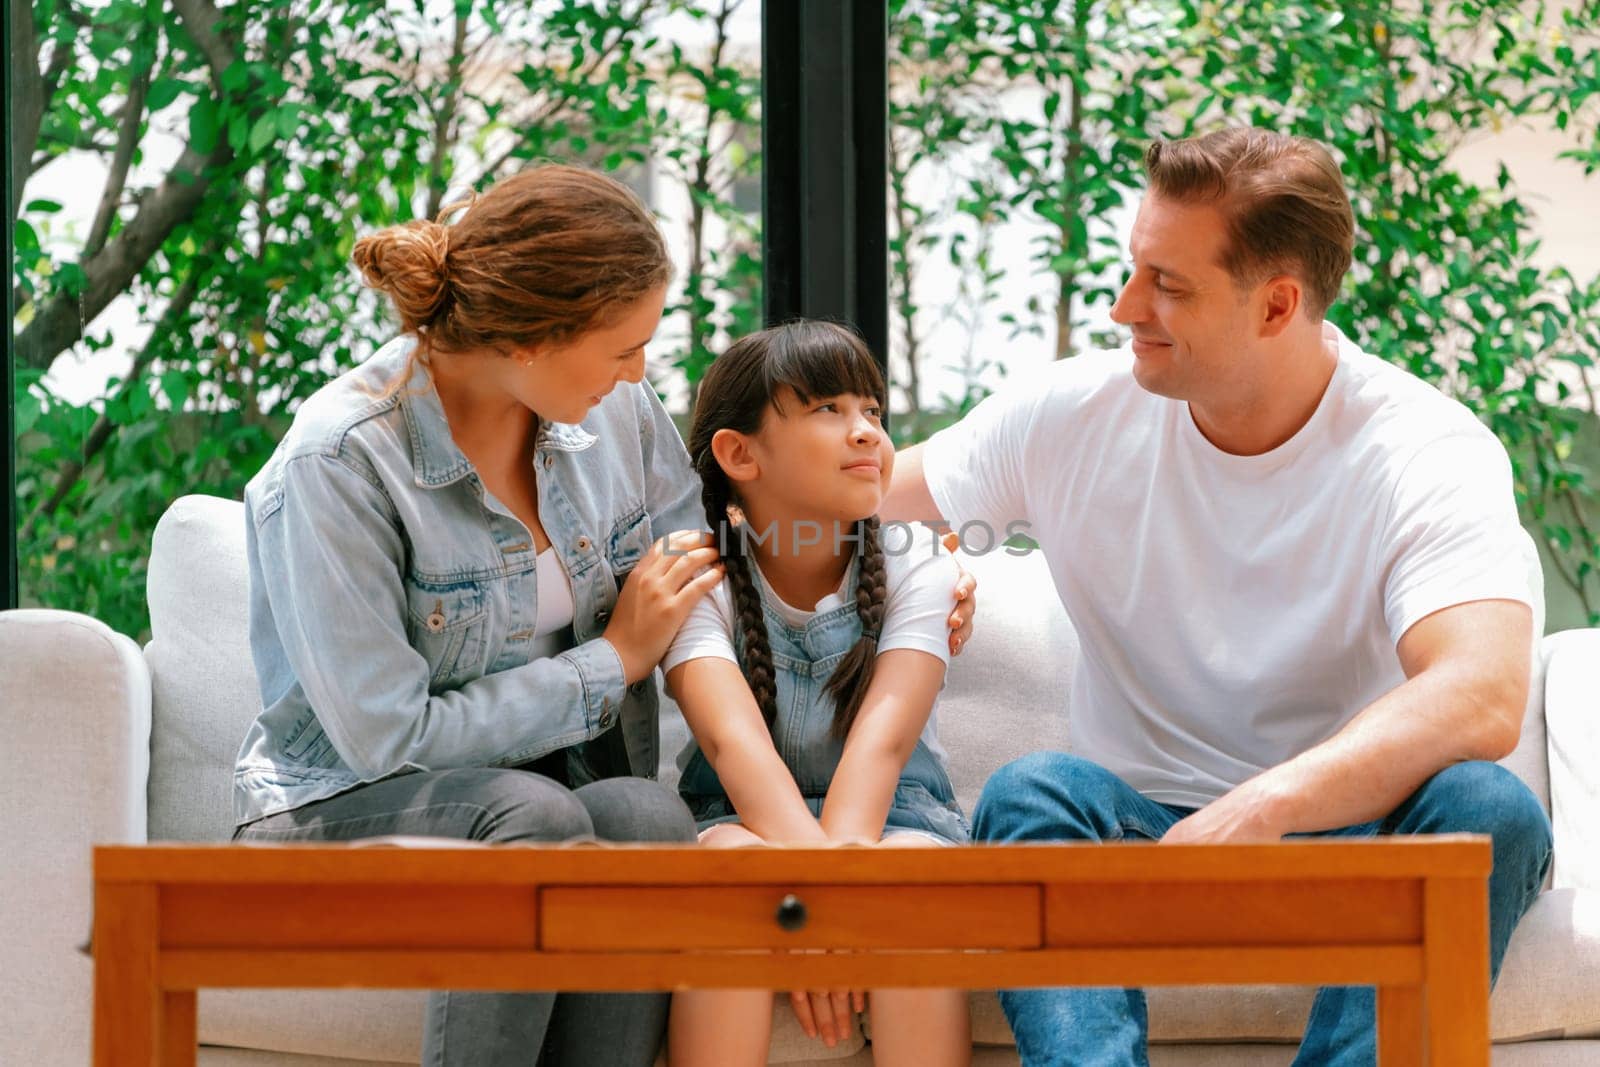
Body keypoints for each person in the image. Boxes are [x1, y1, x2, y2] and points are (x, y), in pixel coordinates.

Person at [232, 164, 977, 1066]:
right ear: (531, 336)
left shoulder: (612, 414)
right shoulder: (341, 463)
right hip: (347, 799)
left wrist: (891, 573)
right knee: (538, 816)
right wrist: (614, 659)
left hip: (546, 790)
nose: (641, 373)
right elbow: (385, 734)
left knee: (643, 815)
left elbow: (718, 565)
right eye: (624, 347)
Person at [881, 128, 1554, 1066]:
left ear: (1277, 305)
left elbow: (1479, 692)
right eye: (1133, 271)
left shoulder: (1425, 450)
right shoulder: (1071, 414)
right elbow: (845, 504)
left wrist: (1267, 804)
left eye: (1169, 284)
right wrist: (918, 562)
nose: (1125, 308)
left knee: (1491, 808)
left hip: (1348, 832)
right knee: (1031, 791)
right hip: (1138, 828)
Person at [663, 321, 972, 1067]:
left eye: (871, 409)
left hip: (894, 817)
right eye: (828, 409)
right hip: (737, 816)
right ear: (740, 453)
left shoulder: (918, 563)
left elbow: (883, 742)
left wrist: (825, 906)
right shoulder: (691, 571)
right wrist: (817, 910)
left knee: (905, 891)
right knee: (733, 888)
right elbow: (731, 745)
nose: (866, 431)